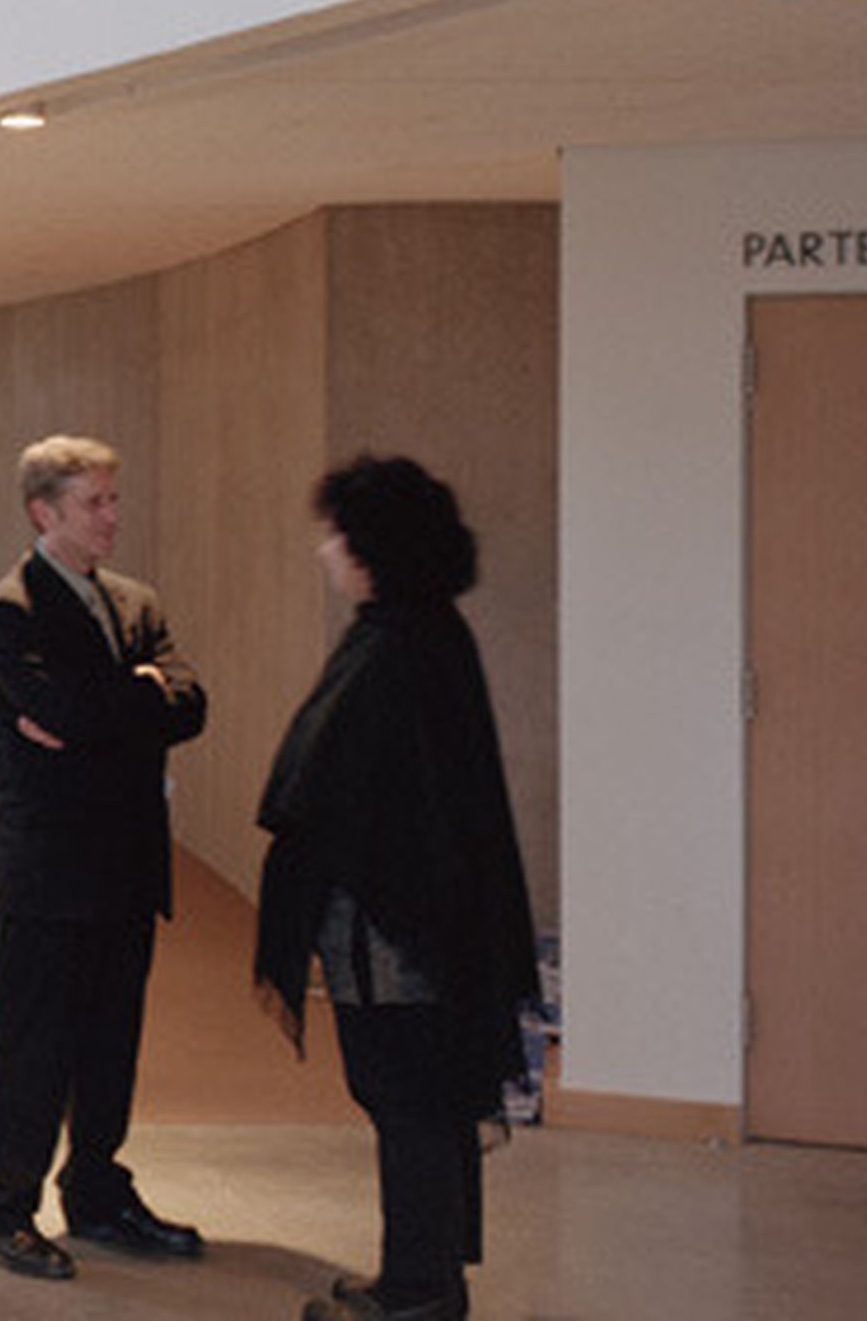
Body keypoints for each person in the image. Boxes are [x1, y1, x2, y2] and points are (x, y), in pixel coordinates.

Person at [250, 455, 539, 1321]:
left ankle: (418, 1291)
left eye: (335, 532)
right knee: (418, 1101)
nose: (324, 549)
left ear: (372, 545)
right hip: (416, 922)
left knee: (408, 1100)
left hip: (399, 931)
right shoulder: (419, 631)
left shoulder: (401, 644)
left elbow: (348, 786)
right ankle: (422, 1274)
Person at [0, 433, 209, 1280]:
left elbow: (190, 704)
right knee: (27, 1046)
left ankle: (98, 1192)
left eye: (113, 499)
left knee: (111, 1043)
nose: (113, 515)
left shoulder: (136, 601)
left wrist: (120, 702)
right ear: (45, 512)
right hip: (46, 873)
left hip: (126, 865)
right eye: (96, 502)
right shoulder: (11, 609)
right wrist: (134, 697)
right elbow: (59, 711)